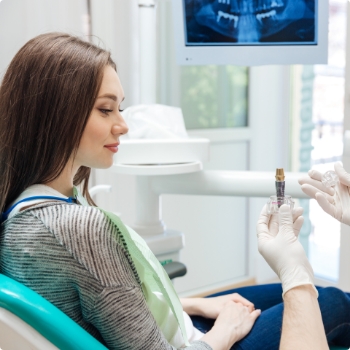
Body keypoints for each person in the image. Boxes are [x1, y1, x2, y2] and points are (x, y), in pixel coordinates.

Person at [0, 32, 350, 350]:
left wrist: (196, 304)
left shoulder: (22, 210)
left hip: (176, 325)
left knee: (302, 299)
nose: (122, 125)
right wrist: (224, 331)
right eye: (106, 110)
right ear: (55, 113)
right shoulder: (78, 229)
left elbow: (108, 309)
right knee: (334, 302)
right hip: (196, 344)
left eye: (118, 108)